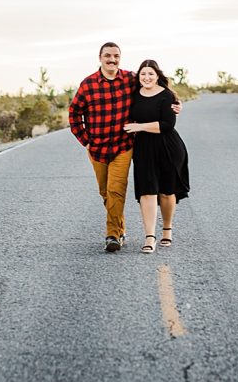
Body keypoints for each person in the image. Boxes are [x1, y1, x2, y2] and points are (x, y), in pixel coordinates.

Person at [69, 43, 180, 252]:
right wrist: (85, 140)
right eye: (108, 56)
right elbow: (74, 113)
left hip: (123, 146)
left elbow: (155, 90)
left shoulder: (130, 79)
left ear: (120, 58)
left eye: (116, 56)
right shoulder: (88, 84)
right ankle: (120, 229)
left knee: (115, 190)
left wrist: (175, 103)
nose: (112, 60)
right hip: (97, 149)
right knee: (105, 192)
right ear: (100, 57)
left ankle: (112, 236)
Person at [123, 59, 190, 254]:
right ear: (139, 77)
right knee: (147, 191)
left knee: (167, 192)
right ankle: (149, 237)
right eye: (143, 74)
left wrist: (140, 126)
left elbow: (168, 124)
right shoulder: (134, 95)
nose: (147, 77)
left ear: (158, 76)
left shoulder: (167, 95)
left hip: (168, 146)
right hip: (143, 148)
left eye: (151, 74)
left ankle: (167, 229)